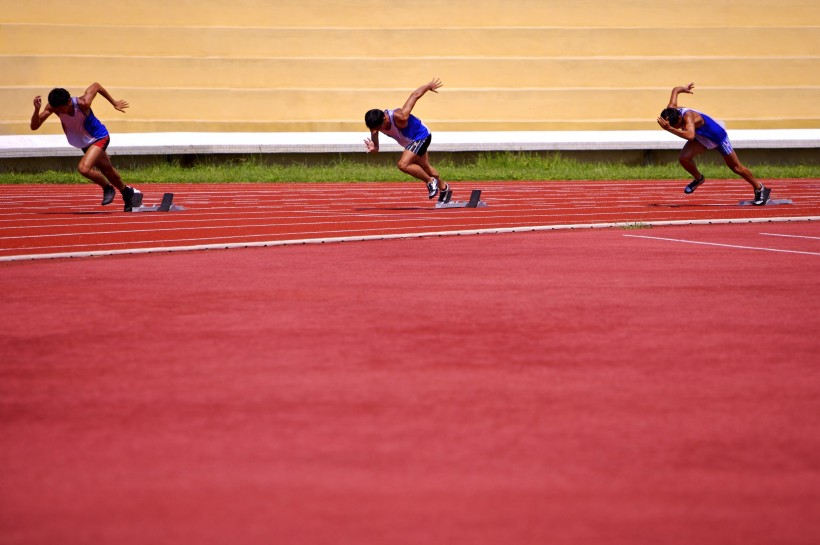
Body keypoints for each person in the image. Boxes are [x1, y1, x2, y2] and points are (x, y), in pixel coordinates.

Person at [30, 83, 142, 211]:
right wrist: (36, 110)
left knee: (84, 169)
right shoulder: (53, 107)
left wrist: (114, 102)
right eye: (57, 110)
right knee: (107, 170)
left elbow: (96, 86)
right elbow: (35, 126)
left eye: (61, 109)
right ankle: (128, 194)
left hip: (99, 137)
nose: (59, 112)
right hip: (84, 142)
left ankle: (107, 188)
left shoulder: (83, 103)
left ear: (68, 101)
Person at [657, 83, 770, 205]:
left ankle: (760, 188)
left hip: (717, 137)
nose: (678, 128)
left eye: (677, 126)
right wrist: (684, 89)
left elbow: (690, 136)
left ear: (680, 119)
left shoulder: (688, 117)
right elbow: (675, 90)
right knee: (684, 158)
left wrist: (670, 129)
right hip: (701, 138)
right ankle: (699, 179)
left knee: (736, 167)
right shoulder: (671, 110)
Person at [364, 78, 451, 202]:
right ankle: (444, 187)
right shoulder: (375, 126)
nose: (376, 131)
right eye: (374, 129)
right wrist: (374, 148)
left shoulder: (400, 116)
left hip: (422, 136)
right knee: (425, 168)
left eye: (378, 128)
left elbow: (414, 95)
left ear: (384, 118)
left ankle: (430, 181)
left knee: (403, 164)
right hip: (411, 143)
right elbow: (376, 146)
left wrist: (428, 86)